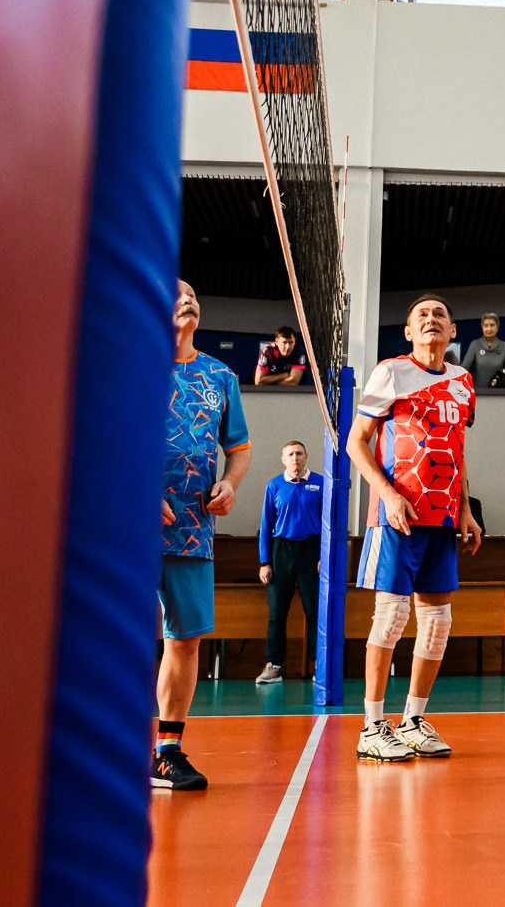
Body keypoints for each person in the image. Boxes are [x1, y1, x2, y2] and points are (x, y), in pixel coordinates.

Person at [347, 292, 484, 762]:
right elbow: (357, 442)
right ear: (408, 332)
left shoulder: (463, 381)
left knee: (438, 623)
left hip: (443, 518)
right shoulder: (391, 372)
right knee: (390, 617)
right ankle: (371, 727)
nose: (431, 319)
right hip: (398, 516)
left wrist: (466, 509)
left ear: (453, 331)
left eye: (439, 314)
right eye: (421, 315)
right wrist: (387, 495)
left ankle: (412, 720)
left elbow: (457, 449)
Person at [154, 281, 251, 791]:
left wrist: (229, 484)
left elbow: (239, 448)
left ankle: (166, 752)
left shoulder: (220, 376)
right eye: (176, 293)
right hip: (127, 526)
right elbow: (101, 439)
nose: (187, 298)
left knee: (186, 640)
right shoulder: (128, 366)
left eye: (193, 294)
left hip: (192, 527)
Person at [255, 440, 324, 683]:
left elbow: (329, 523)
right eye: (290, 454)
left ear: (306, 457)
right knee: (277, 612)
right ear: (283, 459)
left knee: (315, 610)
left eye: (299, 453)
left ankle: (320, 664)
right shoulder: (274, 485)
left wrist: (324, 556)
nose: (295, 458)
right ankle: (274, 665)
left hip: (312, 551)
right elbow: (266, 525)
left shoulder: (321, 483)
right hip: (281, 550)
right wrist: (265, 561)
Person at [461, 313, 505, 388]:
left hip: (497, 392)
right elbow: (464, 369)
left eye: (492, 325)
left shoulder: (504, 346)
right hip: (478, 391)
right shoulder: (475, 345)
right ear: (482, 327)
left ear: (497, 327)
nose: (489, 329)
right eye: (486, 325)